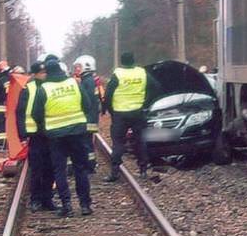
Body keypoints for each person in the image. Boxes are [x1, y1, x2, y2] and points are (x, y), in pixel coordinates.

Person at [31, 57, 93, 217]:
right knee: (80, 168)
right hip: (77, 132)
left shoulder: (43, 88)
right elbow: (87, 105)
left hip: (56, 135)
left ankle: (67, 205)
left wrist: (46, 128)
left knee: (60, 170)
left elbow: (36, 114)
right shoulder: (74, 83)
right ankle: (85, 205)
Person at [103, 52, 160, 181]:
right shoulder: (142, 72)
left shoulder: (117, 74)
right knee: (140, 141)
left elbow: (108, 95)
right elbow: (156, 87)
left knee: (118, 143)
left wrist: (111, 111)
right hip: (138, 112)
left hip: (120, 114)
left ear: (122, 62)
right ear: (133, 60)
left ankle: (114, 172)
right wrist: (146, 102)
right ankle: (143, 170)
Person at [17, 61, 55, 211]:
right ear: (35, 74)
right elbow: (20, 112)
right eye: (42, 72)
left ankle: (47, 199)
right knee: (37, 168)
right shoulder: (28, 89)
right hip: (35, 134)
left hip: (50, 132)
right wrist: (22, 134)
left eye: (45, 72)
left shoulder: (49, 86)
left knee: (50, 168)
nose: (45, 74)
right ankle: (35, 199)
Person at [73, 55, 100, 173]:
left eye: (78, 67)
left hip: (88, 118)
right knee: (87, 142)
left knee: (86, 143)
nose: (76, 69)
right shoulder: (89, 80)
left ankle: (89, 166)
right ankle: (90, 164)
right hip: (91, 117)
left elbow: (86, 101)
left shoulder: (87, 82)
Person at [0, 60, 12, 149]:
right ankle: (6, 143)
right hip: (9, 105)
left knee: (0, 125)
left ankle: (3, 144)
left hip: (1, 106)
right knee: (7, 125)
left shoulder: (2, 78)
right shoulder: (11, 77)